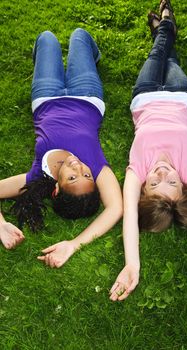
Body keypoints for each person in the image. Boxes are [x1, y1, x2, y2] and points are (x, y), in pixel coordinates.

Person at [110, 0, 187, 316]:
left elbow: (130, 216)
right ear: (184, 184)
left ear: (143, 189)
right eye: (170, 181)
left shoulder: (136, 170)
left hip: (145, 95)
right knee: (168, 56)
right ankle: (165, 25)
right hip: (179, 94)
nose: (161, 172)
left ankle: (164, 27)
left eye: (154, 181)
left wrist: (132, 264)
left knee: (157, 55)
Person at [0, 28, 122, 267]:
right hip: (87, 95)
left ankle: (48, 59)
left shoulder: (37, 176)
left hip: (45, 97)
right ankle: (93, 56)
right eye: (86, 174)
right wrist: (74, 244)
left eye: (73, 177)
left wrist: (2, 225)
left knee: (46, 38)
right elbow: (116, 208)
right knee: (79, 35)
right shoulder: (97, 165)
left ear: (56, 189)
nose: (78, 167)